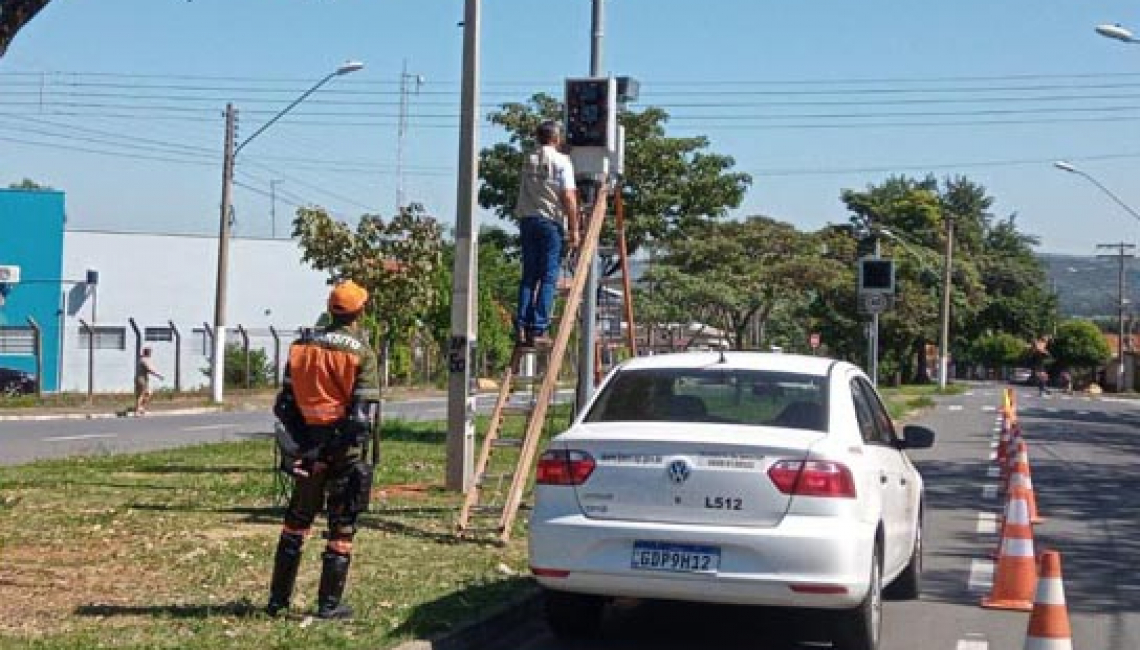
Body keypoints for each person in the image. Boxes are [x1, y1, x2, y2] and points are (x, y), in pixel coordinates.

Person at [266, 280, 381, 620]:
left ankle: (277, 601)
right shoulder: (361, 351)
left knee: (295, 522)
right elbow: (360, 420)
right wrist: (331, 451)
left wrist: (307, 449)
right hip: (341, 452)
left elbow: (284, 405)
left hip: (305, 450)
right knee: (341, 526)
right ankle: (328, 605)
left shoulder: (302, 345)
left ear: (331, 309)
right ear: (360, 311)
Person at [514, 120, 579, 349]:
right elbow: (569, 198)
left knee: (529, 276)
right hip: (550, 223)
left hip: (527, 220)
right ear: (556, 138)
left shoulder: (528, 159)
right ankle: (538, 327)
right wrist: (574, 228)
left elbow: (543, 165)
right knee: (549, 277)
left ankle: (521, 325)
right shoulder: (563, 162)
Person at [133, 347, 163, 415]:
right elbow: (150, 369)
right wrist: (159, 375)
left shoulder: (141, 359)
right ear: (148, 353)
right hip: (142, 379)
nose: (151, 354)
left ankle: (141, 408)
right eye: (150, 352)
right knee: (142, 394)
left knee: (145, 394)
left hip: (140, 378)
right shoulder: (144, 360)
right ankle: (137, 410)